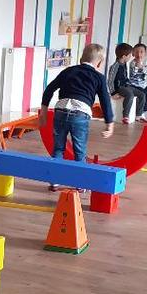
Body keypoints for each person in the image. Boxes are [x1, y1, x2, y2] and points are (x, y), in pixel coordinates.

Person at [39, 43, 114, 190]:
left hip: (61, 110)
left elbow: (49, 89)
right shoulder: (99, 77)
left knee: (58, 148)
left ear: (81, 59)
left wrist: (43, 111)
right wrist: (109, 123)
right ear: (99, 63)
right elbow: (105, 100)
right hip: (80, 113)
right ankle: (80, 183)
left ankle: (54, 181)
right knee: (79, 150)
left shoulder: (68, 71)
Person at [122, 43, 147, 122]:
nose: (139, 54)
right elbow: (133, 74)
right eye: (136, 52)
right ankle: (142, 113)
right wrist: (137, 66)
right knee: (145, 97)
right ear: (133, 54)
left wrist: (142, 67)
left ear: (145, 53)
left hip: (144, 85)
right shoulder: (132, 63)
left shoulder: (146, 61)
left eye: (141, 52)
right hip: (135, 85)